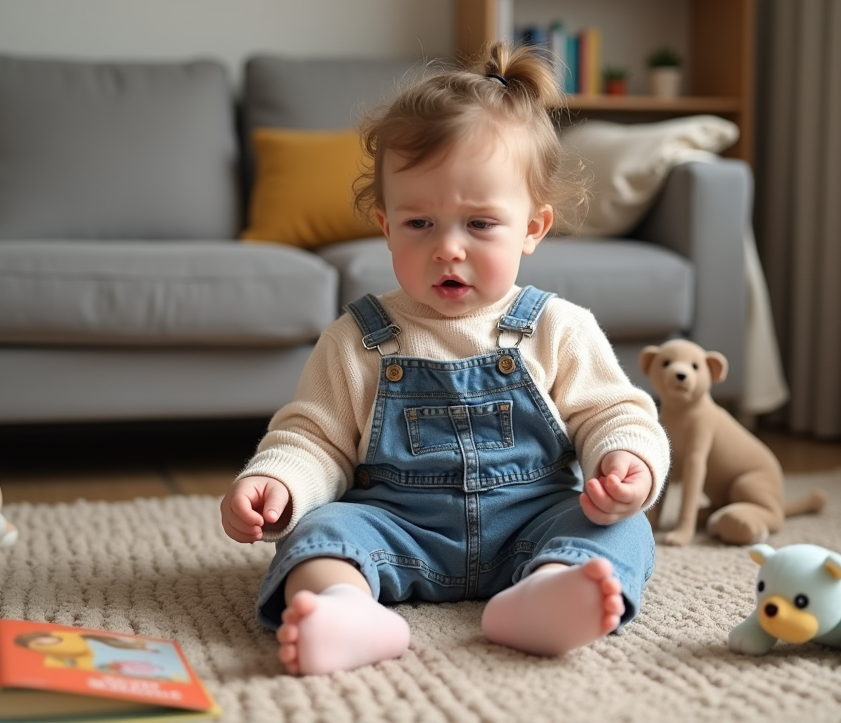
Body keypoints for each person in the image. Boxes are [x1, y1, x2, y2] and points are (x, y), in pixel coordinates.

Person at [221, 41, 670, 676]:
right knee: (320, 537)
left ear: (533, 228)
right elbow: (315, 438)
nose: (448, 249)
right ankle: (347, 611)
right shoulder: (359, 337)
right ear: (385, 224)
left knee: (622, 532)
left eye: (480, 224)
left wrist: (626, 464)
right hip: (398, 530)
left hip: (531, 524)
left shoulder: (557, 326)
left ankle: (545, 593)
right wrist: (279, 484)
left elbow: (613, 413)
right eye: (419, 224)